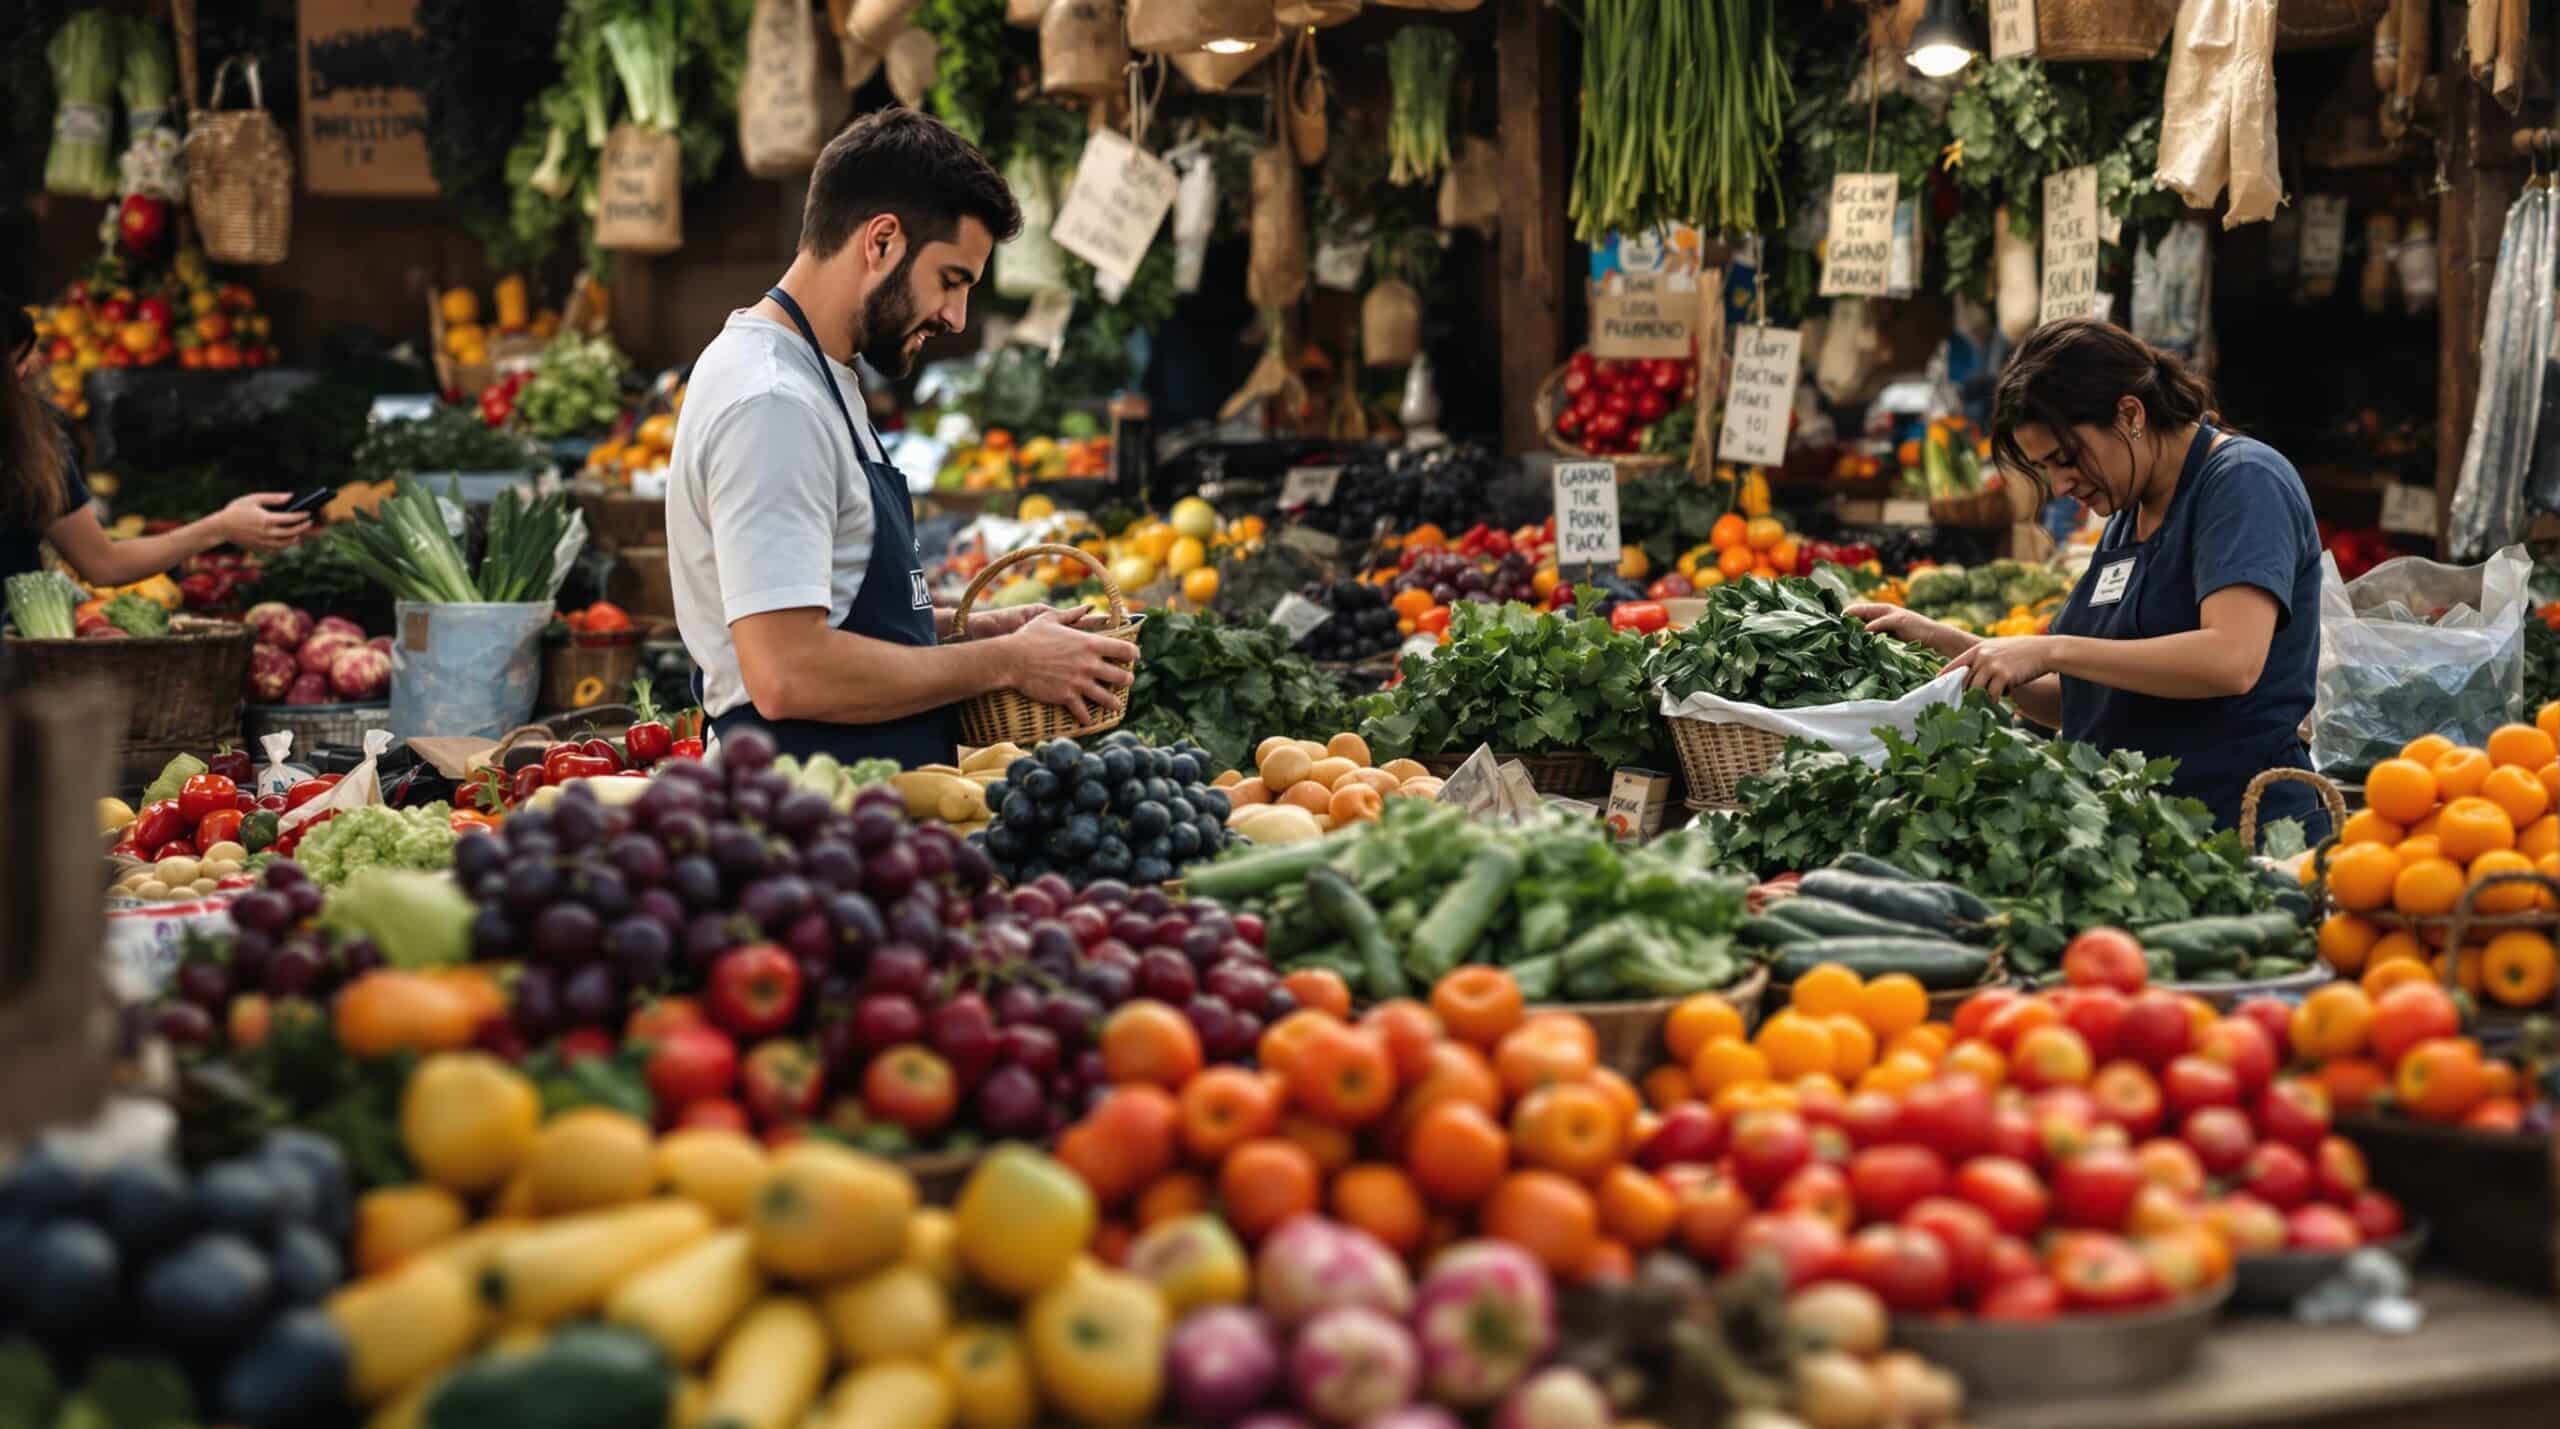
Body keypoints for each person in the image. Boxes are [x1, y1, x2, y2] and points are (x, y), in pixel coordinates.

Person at [667, 109, 1136, 769]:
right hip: (804, 821)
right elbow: (787, 670)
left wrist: (969, 629)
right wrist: (1004, 662)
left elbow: (830, 609)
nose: (956, 316)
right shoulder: (772, 404)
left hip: (868, 805)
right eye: (951, 280)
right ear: (881, 241)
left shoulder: (820, 376)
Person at [1852, 318, 2329, 843]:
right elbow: (2073, 701)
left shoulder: (2242, 481)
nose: (2059, 486)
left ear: (2129, 414)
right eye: (2045, 469)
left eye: (2065, 458)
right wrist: (1947, 642)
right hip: (2142, 837)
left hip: (2238, 832)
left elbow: (2231, 661)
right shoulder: (2129, 513)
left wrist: (2052, 649)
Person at [3, 301, 309, 588]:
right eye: (15, 364)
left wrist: (223, 526)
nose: (26, 373)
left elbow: (103, 563)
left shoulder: (36, 444)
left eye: (25, 361)